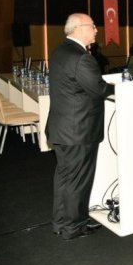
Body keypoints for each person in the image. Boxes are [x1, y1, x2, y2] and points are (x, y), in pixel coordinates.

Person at [47, 13, 115, 240]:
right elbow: (98, 89)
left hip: (62, 128)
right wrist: (120, 87)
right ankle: (74, 227)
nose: (96, 30)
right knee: (77, 181)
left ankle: (61, 223)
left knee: (65, 178)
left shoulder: (60, 51)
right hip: (79, 131)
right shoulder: (81, 57)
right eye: (93, 26)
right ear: (79, 28)